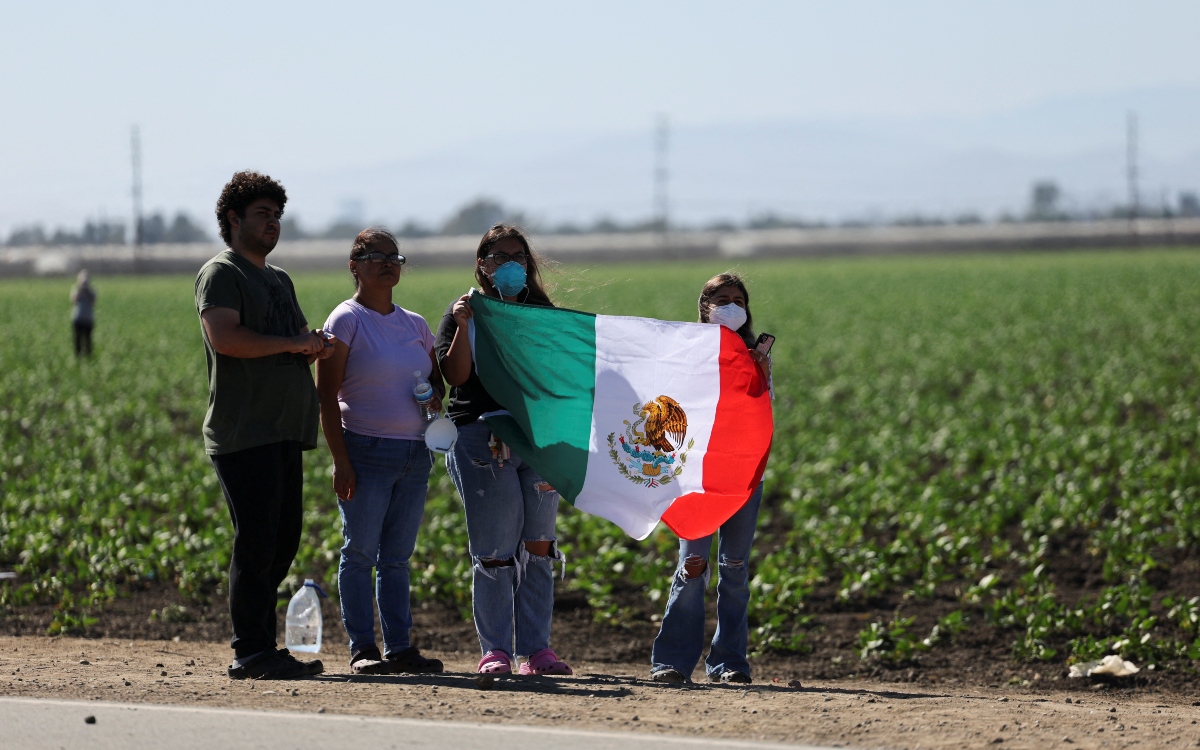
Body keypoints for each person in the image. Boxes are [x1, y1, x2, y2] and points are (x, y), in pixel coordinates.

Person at [195, 170, 336, 680]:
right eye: (262, 215)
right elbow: (226, 338)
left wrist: (315, 342)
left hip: (282, 429)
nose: (272, 224)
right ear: (233, 220)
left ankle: (264, 645)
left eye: (277, 216)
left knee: (283, 539)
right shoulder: (222, 273)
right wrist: (293, 345)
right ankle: (251, 650)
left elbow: (294, 334)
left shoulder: (278, 279)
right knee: (256, 540)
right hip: (243, 430)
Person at [436, 224, 572, 676]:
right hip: (480, 439)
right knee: (495, 549)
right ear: (482, 265)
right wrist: (462, 326)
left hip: (536, 441)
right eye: (498, 256)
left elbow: (558, 377)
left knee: (538, 545)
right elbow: (455, 377)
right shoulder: (465, 312)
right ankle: (495, 650)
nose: (509, 265)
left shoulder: (542, 313)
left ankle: (537, 650)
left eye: (517, 256)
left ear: (528, 265)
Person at [316, 228, 446, 675]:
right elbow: (326, 396)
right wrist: (341, 460)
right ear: (354, 266)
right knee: (359, 553)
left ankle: (400, 647)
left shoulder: (415, 324)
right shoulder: (346, 319)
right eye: (375, 257)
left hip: (414, 454)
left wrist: (433, 398)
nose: (388, 263)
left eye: (394, 257)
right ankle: (362, 649)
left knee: (396, 558)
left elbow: (436, 383)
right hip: (365, 451)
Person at [649, 272, 771, 685]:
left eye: (739, 299)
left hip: (743, 478)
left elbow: (760, 417)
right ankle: (672, 661)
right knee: (693, 565)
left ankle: (729, 662)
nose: (731, 306)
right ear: (705, 304)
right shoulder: (684, 351)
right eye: (722, 298)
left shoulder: (754, 355)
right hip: (695, 476)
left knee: (734, 570)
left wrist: (761, 374)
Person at [70, 270, 96, 356]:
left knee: (88, 340)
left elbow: (93, 301)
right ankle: (78, 356)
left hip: (88, 319)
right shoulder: (76, 289)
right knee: (77, 339)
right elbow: (73, 300)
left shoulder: (92, 291)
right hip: (78, 318)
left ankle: (88, 356)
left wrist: (87, 291)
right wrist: (79, 290)